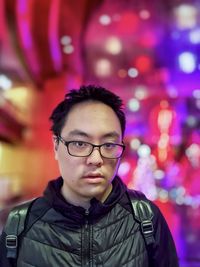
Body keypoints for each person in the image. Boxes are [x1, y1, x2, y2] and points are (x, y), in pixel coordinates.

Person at [0, 85, 179, 267]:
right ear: (56, 146)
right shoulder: (20, 224)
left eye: (109, 144)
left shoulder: (146, 219)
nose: (96, 159)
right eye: (79, 143)